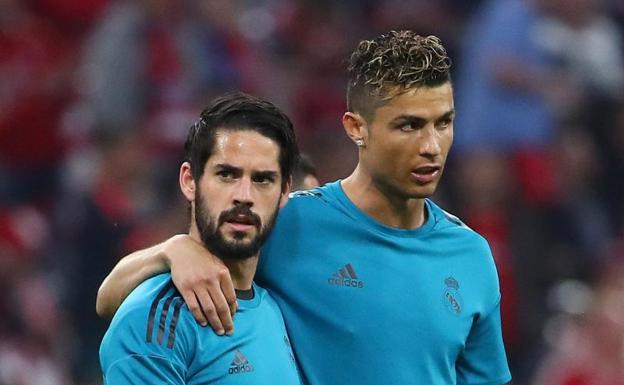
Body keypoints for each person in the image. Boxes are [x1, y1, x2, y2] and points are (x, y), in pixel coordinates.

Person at [97, 31, 512, 384]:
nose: (430, 146)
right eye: (409, 125)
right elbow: (113, 302)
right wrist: (174, 249)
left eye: (443, 122)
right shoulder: (288, 220)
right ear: (356, 128)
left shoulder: (470, 256)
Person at [98, 92, 301, 384]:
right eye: (227, 175)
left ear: (284, 192)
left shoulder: (273, 301)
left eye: (262, 179)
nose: (244, 196)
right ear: (189, 181)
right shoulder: (154, 319)